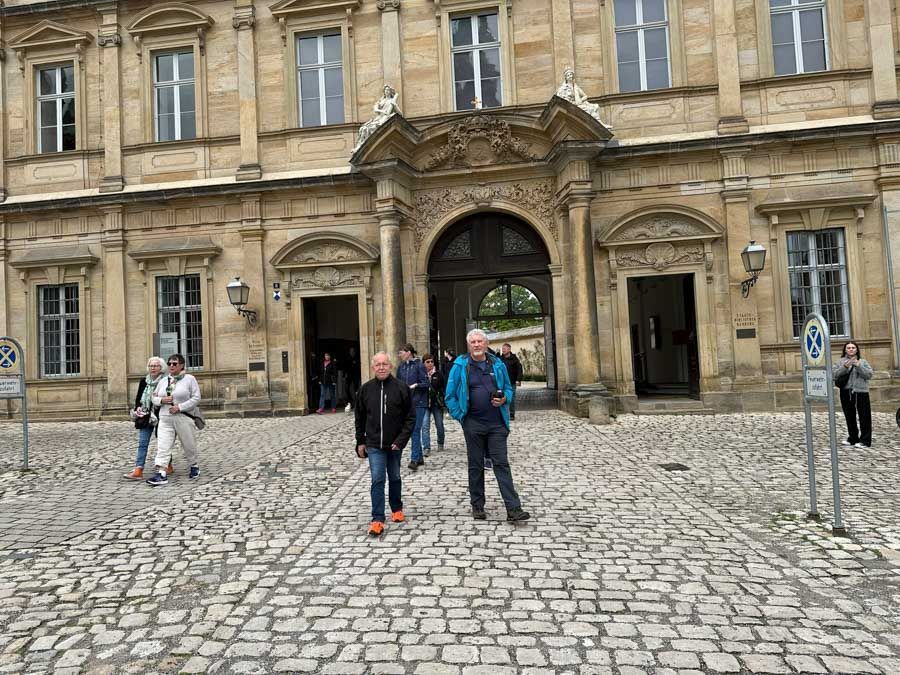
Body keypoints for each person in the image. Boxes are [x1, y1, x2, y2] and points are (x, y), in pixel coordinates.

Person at [445, 329, 530, 522]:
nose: (476, 345)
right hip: (473, 424)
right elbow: (449, 396)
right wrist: (461, 417)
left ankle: (513, 509)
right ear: (469, 345)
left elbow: (507, 387)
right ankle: (477, 505)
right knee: (475, 465)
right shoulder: (460, 365)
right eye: (473, 342)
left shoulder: (497, 364)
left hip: (497, 424)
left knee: (501, 464)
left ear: (486, 343)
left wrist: (505, 398)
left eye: (479, 341)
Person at [355, 352, 415, 536]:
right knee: (378, 479)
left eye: (384, 364)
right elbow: (359, 418)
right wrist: (360, 441)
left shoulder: (401, 388)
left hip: (394, 444)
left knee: (395, 476)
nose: (381, 367)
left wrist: (401, 441)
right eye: (378, 364)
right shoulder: (365, 389)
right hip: (374, 444)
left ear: (390, 366)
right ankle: (377, 519)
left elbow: (410, 418)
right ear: (373, 367)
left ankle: (396, 508)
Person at [146, 354, 202, 486]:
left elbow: (196, 398)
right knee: (163, 446)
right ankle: (161, 473)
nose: (171, 366)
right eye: (169, 363)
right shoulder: (164, 381)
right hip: (165, 418)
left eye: (174, 364)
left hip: (183, 417)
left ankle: (193, 465)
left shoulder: (189, 379)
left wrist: (180, 407)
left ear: (181, 365)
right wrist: (161, 400)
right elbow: (153, 397)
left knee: (189, 444)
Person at [123, 356, 166, 480]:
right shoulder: (144, 381)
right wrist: (138, 409)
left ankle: (167, 464)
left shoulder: (165, 381)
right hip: (145, 416)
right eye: (151, 366)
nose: (153, 368)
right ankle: (138, 469)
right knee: (142, 443)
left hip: (161, 416)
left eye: (156, 366)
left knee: (163, 442)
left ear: (161, 368)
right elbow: (138, 398)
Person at [833, 341, 874, 448]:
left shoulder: (863, 361)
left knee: (864, 416)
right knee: (849, 416)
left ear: (856, 350)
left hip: (861, 392)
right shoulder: (840, 362)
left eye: (853, 347)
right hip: (846, 392)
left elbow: (869, 375)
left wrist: (859, 366)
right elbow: (834, 374)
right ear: (845, 350)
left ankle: (865, 440)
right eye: (848, 348)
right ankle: (853, 438)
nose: (851, 349)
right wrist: (845, 367)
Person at [397, 344, 429, 469]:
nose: (400, 355)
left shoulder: (419, 365)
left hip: (419, 402)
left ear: (409, 352)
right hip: (406, 403)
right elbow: (397, 383)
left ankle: (414, 459)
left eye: (401, 352)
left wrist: (416, 385)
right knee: (411, 430)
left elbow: (426, 383)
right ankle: (419, 458)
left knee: (415, 430)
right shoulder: (401, 367)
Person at [352, 85, 402, 153]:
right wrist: (382, 111)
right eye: (386, 90)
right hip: (379, 118)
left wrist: (395, 105)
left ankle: (366, 146)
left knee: (370, 128)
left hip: (386, 118)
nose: (387, 91)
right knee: (363, 128)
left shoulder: (392, 101)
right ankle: (360, 146)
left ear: (391, 92)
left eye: (388, 90)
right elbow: (375, 109)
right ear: (384, 91)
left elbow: (400, 114)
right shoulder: (381, 101)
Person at [422, 354, 446, 453]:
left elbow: (444, 388)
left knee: (439, 424)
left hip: (436, 403)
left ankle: (440, 443)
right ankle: (426, 447)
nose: (430, 363)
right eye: (427, 362)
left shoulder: (438, 374)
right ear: (423, 363)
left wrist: (443, 398)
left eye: (432, 361)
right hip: (424, 403)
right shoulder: (421, 374)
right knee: (425, 425)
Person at [499, 343, 523, 421]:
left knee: (511, 398)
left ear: (509, 349)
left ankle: (512, 414)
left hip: (511, 382)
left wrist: (518, 379)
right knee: (501, 397)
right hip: (502, 382)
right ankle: (503, 413)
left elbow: (519, 369)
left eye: (505, 348)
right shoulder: (500, 359)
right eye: (502, 349)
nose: (503, 350)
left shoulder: (514, 359)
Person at [343, 346, 362, 410]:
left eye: (353, 351)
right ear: (349, 352)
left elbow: (359, 368)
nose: (352, 352)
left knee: (356, 391)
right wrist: (344, 375)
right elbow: (345, 368)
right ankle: (349, 403)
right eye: (351, 351)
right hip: (348, 377)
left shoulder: (357, 359)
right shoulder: (347, 359)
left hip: (355, 377)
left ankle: (356, 404)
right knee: (347, 391)